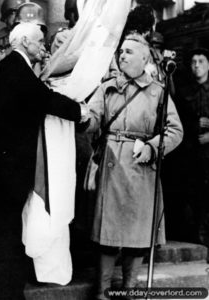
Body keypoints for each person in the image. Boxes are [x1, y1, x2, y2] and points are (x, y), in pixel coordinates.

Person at [0, 22, 87, 300]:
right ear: (24, 41)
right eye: (38, 41)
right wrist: (79, 111)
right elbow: (43, 98)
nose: (43, 46)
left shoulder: (14, 65)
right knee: (5, 232)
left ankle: (1, 291)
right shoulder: (15, 65)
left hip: (6, 165)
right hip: (8, 167)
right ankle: (1, 293)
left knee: (6, 231)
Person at [84, 33, 183, 299]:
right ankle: (103, 292)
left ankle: (130, 288)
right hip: (112, 162)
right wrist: (84, 119)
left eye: (129, 52)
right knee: (108, 231)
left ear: (144, 58)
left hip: (142, 168)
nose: (122, 55)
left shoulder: (157, 92)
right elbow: (93, 119)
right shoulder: (107, 87)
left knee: (137, 233)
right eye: (121, 51)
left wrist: (152, 147)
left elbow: (174, 130)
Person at [175, 48, 209, 252]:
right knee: (193, 193)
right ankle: (196, 234)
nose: (197, 65)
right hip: (191, 153)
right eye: (194, 61)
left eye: (202, 61)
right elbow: (178, 121)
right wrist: (195, 125)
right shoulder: (184, 91)